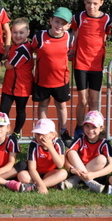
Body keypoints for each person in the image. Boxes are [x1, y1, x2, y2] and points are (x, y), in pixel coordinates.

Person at [70, 0, 112, 141]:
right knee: (82, 100)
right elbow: (74, 34)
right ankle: (80, 128)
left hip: (96, 65)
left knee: (94, 101)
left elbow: (105, 36)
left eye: (95, 3)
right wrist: (72, 49)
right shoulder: (78, 17)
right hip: (80, 63)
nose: (91, 6)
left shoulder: (106, 19)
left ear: (101, 2)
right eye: (88, 3)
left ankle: (94, 130)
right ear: (84, 1)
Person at [31, 7, 74, 136]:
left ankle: (63, 130)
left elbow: (71, 53)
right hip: (42, 80)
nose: (59, 25)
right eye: (57, 21)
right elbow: (32, 49)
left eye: (63, 23)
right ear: (51, 20)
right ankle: (42, 132)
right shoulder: (40, 36)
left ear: (68, 26)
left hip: (61, 80)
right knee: (43, 104)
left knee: (61, 105)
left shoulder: (70, 38)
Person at [62, 110, 112, 193]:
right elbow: (65, 156)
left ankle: (76, 179)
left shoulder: (104, 143)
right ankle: (90, 183)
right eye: (87, 126)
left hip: (96, 175)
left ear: (101, 128)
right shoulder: (81, 138)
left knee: (102, 159)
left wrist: (93, 175)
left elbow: (111, 166)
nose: (90, 130)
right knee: (71, 152)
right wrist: (71, 169)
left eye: (94, 127)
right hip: (78, 170)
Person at [0, 18, 33, 139]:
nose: (18, 35)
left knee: (20, 110)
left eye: (21, 33)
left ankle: (16, 132)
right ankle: (3, 132)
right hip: (9, 85)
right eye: (15, 32)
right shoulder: (14, 45)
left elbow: (9, 65)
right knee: (3, 111)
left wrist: (3, 62)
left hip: (22, 86)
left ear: (28, 32)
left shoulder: (24, 49)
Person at [15, 118, 68, 194]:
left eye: (43, 134)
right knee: (22, 175)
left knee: (63, 173)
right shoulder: (33, 144)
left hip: (50, 173)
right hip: (35, 174)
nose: (40, 137)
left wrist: (50, 147)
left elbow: (60, 165)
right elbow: (32, 169)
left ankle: (33, 186)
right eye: (37, 134)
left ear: (53, 135)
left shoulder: (58, 143)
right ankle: (50, 184)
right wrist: (40, 184)